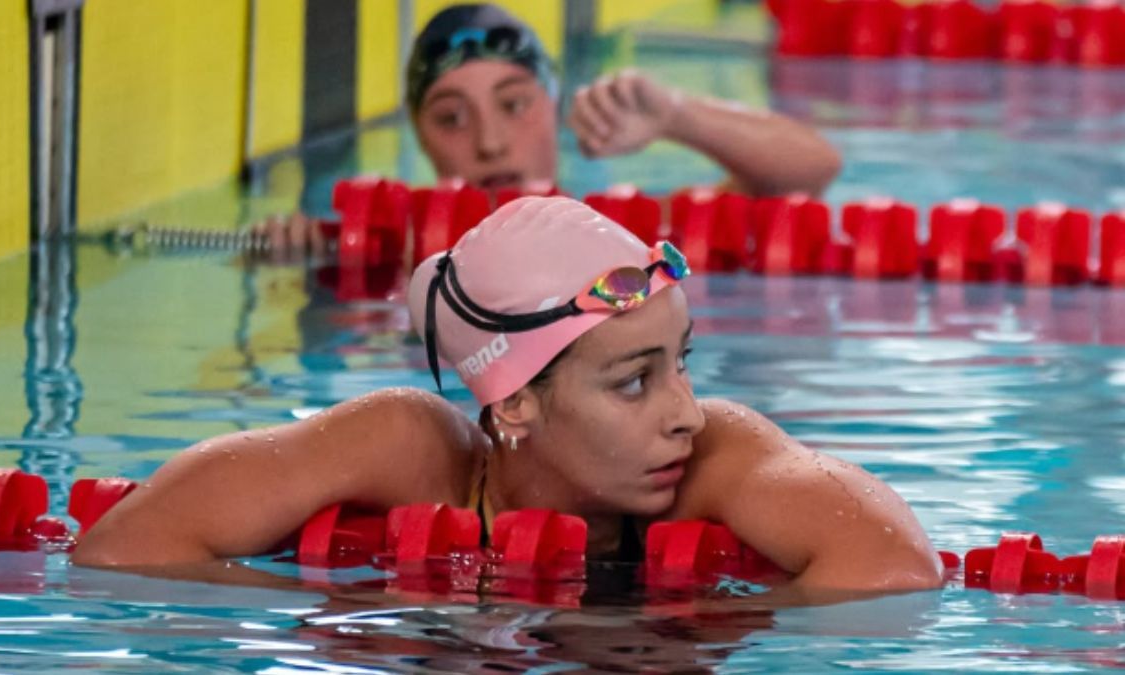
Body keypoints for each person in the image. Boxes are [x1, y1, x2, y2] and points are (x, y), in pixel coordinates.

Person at [73, 196, 942, 602]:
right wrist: (336, 602)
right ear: (515, 404)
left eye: (680, 362)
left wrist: (684, 616)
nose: (682, 408)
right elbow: (128, 545)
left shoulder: (708, 453)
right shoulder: (407, 446)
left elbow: (895, 566)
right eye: (633, 380)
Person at [258, 3, 842, 261]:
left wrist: (674, 115)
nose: (489, 144)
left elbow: (813, 170)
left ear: (555, 104)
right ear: (420, 133)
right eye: (452, 118)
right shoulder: (374, 256)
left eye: (514, 105)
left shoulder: (628, 235)